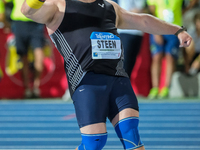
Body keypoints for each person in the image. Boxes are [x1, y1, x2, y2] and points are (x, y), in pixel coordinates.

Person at [21, 0, 192, 149]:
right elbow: (27, 11)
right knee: (94, 143)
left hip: (118, 79)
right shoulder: (58, 6)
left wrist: (176, 30)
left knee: (131, 136)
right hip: (86, 82)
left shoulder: (110, 7)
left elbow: (143, 21)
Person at [146, 0, 196, 99]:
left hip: (174, 30)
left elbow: (192, 2)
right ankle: (155, 88)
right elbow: (151, 12)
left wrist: (182, 13)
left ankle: (166, 88)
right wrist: (156, 31)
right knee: (157, 57)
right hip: (158, 29)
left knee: (170, 57)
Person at [5, 0, 45, 98]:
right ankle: (27, 89)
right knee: (23, 57)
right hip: (20, 23)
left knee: (39, 56)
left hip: (36, 22)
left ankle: (36, 87)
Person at [118, 0, 147, 77]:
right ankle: (119, 87)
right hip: (126, 32)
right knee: (124, 65)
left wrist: (142, 11)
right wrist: (143, 11)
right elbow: (126, 12)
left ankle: (125, 87)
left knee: (131, 65)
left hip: (138, 33)